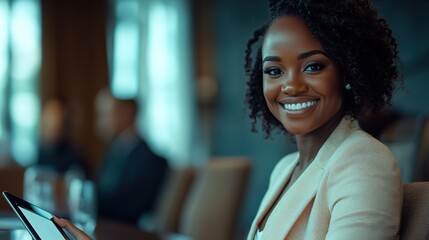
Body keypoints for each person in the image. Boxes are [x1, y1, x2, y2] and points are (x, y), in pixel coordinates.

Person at [244, 0, 403, 239]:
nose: (291, 86)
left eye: (313, 66)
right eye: (274, 71)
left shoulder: (365, 162)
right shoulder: (283, 169)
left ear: (346, 72)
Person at [93, 88, 169, 225]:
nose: (100, 122)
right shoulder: (114, 151)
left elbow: (129, 207)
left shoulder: (150, 161)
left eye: (106, 115)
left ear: (127, 114)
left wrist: (84, 197)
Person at [36, 98, 89, 175]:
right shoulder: (41, 152)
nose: (51, 126)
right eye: (47, 122)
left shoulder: (75, 155)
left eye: (56, 124)